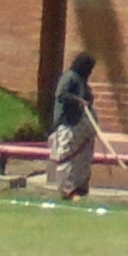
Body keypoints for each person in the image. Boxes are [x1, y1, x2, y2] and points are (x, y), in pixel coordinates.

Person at [48, 51, 101, 203]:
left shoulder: (83, 82)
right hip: (68, 124)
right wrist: (78, 100)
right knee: (67, 158)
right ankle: (68, 191)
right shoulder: (69, 77)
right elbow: (61, 94)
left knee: (83, 159)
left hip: (83, 128)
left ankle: (81, 188)